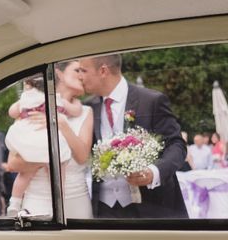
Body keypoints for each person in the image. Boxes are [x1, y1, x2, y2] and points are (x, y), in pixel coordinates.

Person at [79, 53, 188, 218]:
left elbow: (177, 145)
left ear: (103, 71)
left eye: (83, 71)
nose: (80, 77)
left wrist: (153, 172)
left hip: (152, 207)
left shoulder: (151, 101)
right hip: (103, 209)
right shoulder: (88, 107)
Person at [6, 61, 94, 218]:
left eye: (84, 70)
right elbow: (12, 164)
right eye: (77, 70)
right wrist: (46, 159)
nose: (82, 75)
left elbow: (82, 158)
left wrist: (60, 123)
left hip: (76, 199)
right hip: (37, 199)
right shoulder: (30, 109)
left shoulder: (85, 111)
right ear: (59, 73)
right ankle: (14, 202)